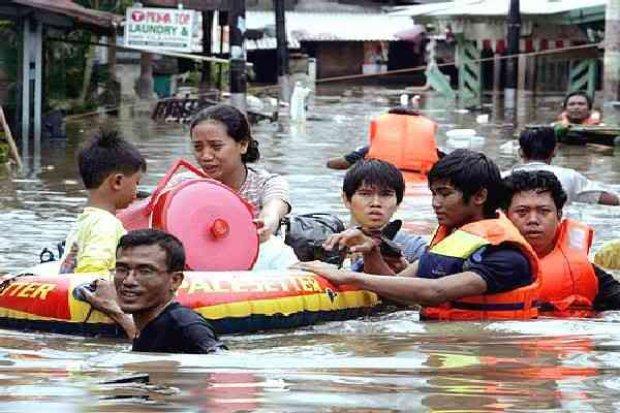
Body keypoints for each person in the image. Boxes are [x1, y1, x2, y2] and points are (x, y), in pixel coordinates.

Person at [296, 149, 540, 321]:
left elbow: (434, 292)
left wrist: (347, 277)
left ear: (479, 197)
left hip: (489, 371)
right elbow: (397, 290)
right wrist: (372, 251)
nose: (435, 203)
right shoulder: (453, 240)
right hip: (448, 359)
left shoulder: (505, 254)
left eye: (444, 194)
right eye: (434, 193)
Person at [84, 229, 226, 353]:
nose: (128, 281)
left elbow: (220, 368)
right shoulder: (154, 328)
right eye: (122, 269)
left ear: (175, 280)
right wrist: (115, 312)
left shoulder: (187, 327)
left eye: (145, 271)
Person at [502, 170, 620, 316]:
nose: (533, 219)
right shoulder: (486, 261)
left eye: (543, 211)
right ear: (505, 216)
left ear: (559, 215)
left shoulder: (581, 269)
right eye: (522, 212)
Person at [173, 104, 290, 243]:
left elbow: (273, 210)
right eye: (198, 147)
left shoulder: (266, 183)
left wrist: (265, 225)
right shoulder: (182, 185)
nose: (205, 156)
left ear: (243, 145)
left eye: (216, 146)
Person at [59, 129, 146, 274]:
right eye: (136, 182)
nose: (137, 191)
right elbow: (92, 270)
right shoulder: (107, 225)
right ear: (117, 181)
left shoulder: (84, 222)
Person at [340, 159, 427, 271]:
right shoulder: (329, 242)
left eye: (386, 194)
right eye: (365, 194)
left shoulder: (415, 248)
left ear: (398, 202)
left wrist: (406, 269)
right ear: (346, 199)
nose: (376, 203)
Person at [504, 127, 619, 205]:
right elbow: (612, 200)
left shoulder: (502, 178)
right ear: (554, 151)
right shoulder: (571, 177)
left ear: (520, 152)